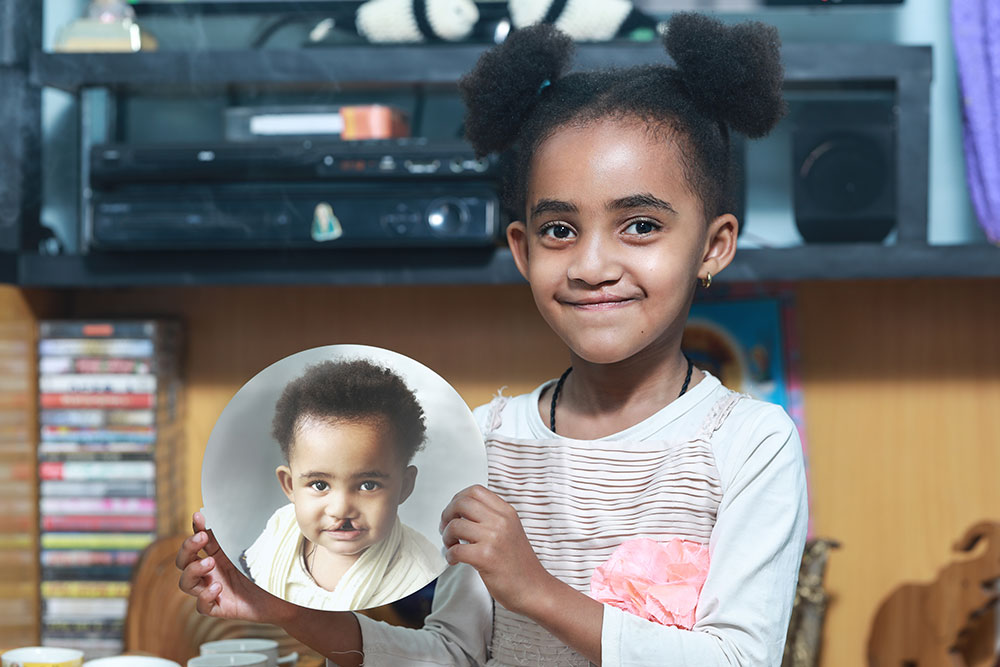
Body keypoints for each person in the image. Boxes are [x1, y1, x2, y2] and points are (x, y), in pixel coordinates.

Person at [177, 12, 808, 666]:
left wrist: (534, 588)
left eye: (640, 225)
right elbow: (453, 653)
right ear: (522, 249)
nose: (593, 264)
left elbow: (739, 659)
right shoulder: (487, 440)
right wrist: (289, 609)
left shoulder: (749, 445)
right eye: (559, 231)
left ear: (714, 245)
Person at [239, 358, 446, 611]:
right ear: (290, 485)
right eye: (319, 485)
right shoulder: (278, 535)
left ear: (404, 486)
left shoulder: (420, 572)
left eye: (368, 485)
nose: (341, 509)